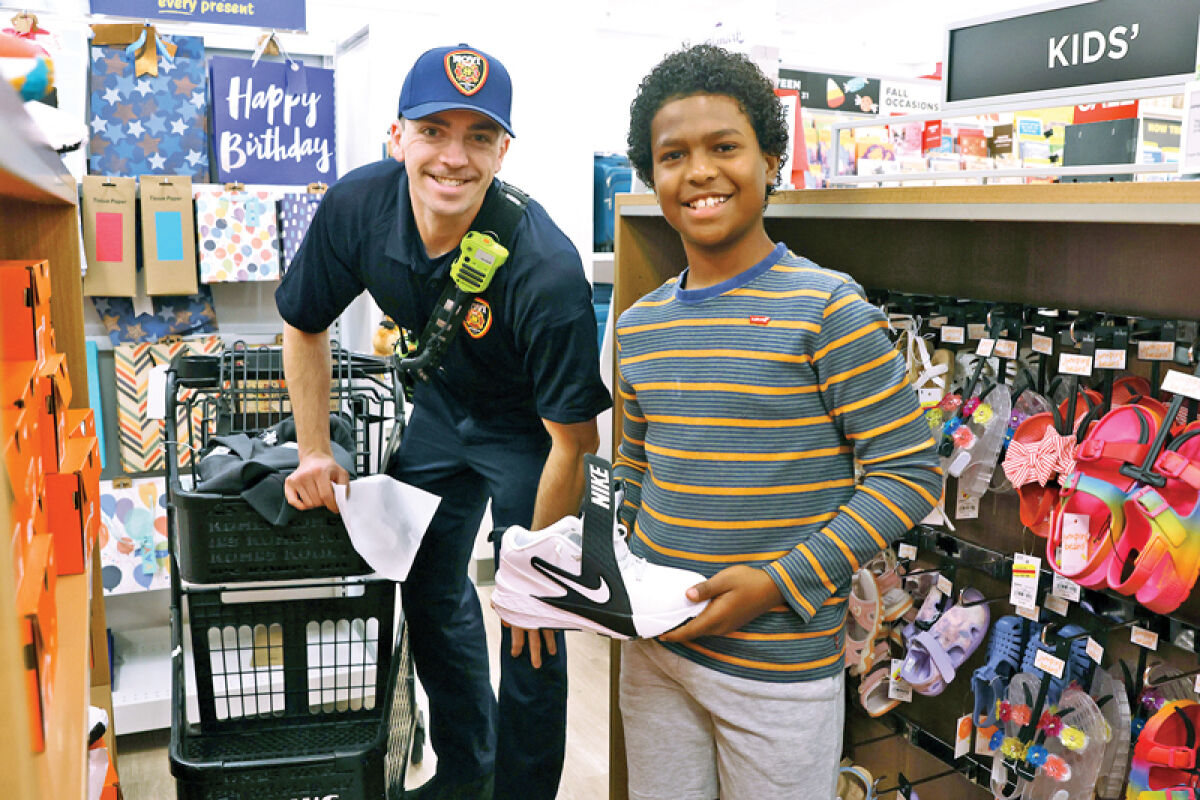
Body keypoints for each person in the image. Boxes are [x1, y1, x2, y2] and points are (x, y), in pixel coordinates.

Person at [275, 43, 611, 800]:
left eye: (479, 136)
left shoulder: (544, 267)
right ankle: (468, 770)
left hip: (534, 435)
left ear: (504, 150)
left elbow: (575, 442)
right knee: (424, 582)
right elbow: (303, 323)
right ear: (398, 136)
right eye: (434, 130)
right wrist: (314, 450)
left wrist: (532, 570)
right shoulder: (357, 208)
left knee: (533, 626)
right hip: (441, 408)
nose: (453, 157)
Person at [613, 44, 943, 799]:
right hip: (654, 654)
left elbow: (910, 472)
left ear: (771, 161)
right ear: (651, 174)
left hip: (779, 668)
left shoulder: (828, 309)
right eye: (673, 155)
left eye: (724, 147)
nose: (698, 172)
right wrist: (611, 560)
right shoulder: (638, 324)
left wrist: (778, 582)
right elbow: (635, 464)